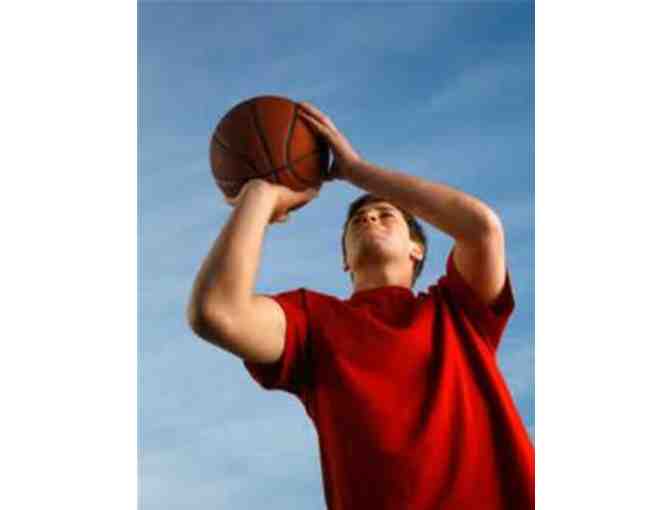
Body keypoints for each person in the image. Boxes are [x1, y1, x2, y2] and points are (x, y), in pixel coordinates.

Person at [187, 102, 534, 509]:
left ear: (417, 249)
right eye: (357, 220)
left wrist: (355, 170)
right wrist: (259, 195)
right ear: (345, 261)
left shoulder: (457, 310)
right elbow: (217, 312)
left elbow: (482, 228)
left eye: (386, 214)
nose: (369, 219)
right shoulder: (311, 322)